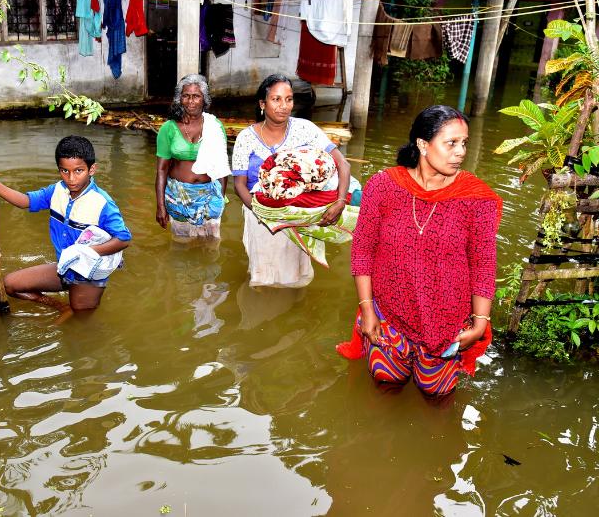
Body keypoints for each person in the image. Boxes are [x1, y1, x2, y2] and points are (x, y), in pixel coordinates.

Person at [337, 105, 502, 397]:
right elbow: (363, 251)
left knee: (436, 396)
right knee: (385, 383)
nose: (460, 152)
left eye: (464, 143)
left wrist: (480, 324)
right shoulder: (383, 186)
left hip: (446, 326)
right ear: (423, 144)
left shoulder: (477, 199)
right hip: (389, 315)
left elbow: (483, 265)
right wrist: (367, 310)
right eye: (451, 143)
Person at [0, 135, 131, 314]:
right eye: (64, 171)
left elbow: (123, 239)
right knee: (10, 285)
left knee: (81, 318)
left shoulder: (102, 203)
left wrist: (86, 252)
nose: (71, 178)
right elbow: (25, 201)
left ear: (92, 169)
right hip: (65, 266)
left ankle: (73, 309)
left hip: (88, 273)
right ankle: (61, 307)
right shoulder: (57, 191)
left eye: (78, 171)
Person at [231, 73, 352, 287]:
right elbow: (239, 184)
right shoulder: (246, 138)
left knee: (294, 276)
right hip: (260, 217)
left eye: (288, 99)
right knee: (262, 276)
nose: (283, 106)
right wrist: (265, 213)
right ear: (262, 104)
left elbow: (343, 164)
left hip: (298, 217)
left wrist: (340, 201)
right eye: (276, 99)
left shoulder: (305, 129)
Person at [155, 74, 230, 239]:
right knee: (181, 245)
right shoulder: (168, 128)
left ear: (204, 99)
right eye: (186, 96)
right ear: (179, 99)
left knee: (211, 246)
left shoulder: (215, 126)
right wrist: (160, 206)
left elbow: (222, 168)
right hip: (177, 197)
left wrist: (219, 200)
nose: (191, 101)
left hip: (209, 196)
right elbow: (162, 170)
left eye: (196, 96)